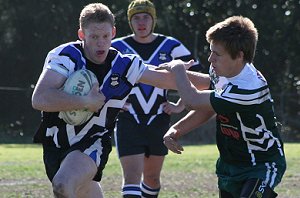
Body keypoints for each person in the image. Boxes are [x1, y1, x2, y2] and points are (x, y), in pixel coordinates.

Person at [31, 3, 204, 198]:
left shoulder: (124, 64)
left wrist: (217, 80)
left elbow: (168, 79)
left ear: (113, 32)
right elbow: (40, 98)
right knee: (75, 188)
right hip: (55, 141)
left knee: (62, 185)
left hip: (92, 141)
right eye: (94, 37)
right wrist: (85, 101)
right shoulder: (66, 56)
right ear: (81, 35)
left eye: (105, 36)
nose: (101, 43)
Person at [160, 16, 286, 198]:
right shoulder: (225, 72)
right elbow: (208, 107)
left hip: (262, 163)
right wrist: (175, 130)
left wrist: (178, 67)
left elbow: (192, 100)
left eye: (217, 54)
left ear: (240, 55)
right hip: (230, 163)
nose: (210, 59)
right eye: (211, 51)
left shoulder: (248, 87)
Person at [111, 0, 202, 197]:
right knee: (132, 177)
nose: (141, 22)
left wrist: (180, 105)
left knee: (152, 178)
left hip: (158, 121)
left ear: (154, 20)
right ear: (130, 21)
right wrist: (113, 102)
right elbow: (99, 78)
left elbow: (201, 79)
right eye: (136, 18)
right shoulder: (116, 47)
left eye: (146, 17)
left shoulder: (170, 45)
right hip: (128, 121)